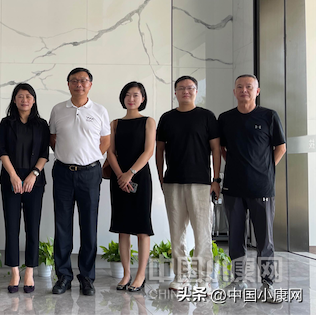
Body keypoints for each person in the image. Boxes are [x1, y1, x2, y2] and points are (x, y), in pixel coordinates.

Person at [218, 75, 286, 304]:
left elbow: (281, 147)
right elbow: (222, 148)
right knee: (235, 237)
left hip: (261, 187)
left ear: (257, 91)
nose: (244, 90)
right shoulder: (225, 118)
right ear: (234, 91)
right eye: (240, 87)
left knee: (265, 240)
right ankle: (238, 280)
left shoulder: (269, 116)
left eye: (249, 87)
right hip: (233, 187)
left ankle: (268, 284)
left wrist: (266, 169)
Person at [49, 67, 110, 296]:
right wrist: (69, 156)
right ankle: (63, 276)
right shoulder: (58, 109)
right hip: (63, 173)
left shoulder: (100, 110)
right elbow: (53, 139)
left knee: (89, 225)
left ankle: (87, 277)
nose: (79, 84)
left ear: (90, 85)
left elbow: (105, 141)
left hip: (90, 174)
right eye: (74, 80)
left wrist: (88, 158)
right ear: (68, 84)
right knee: (62, 225)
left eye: (83, 80)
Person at [156, 76, 220, 291]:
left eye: (190, 88)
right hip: (173, 182)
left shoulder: (207, 116)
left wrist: (216, 179)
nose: (186, 91)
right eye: (181, 88)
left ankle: (203, 278)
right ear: (175, 92)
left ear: (196, 91)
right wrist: (161, 176)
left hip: (201, 183)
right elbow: (159, 149)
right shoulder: (167, 118)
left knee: (202, 232)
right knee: (176, 232)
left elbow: (216, 149)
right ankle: (181, 275)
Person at [0, 83, 50, 294]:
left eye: (28, 96)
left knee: (32, 227)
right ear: (14, 100)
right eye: (20, 96)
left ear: (34, 100)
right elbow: (2, 151)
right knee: (11, 227)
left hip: (34, 181)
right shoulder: (6, 123)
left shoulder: (42, 124)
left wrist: (33, 175)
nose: (24, 100)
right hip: (10, 179)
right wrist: (13, 175)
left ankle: (29, 271)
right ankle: (14, 272)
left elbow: (44, 153)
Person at [107, 81, 155, 292]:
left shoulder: (148, 121)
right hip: (119, 179)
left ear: (142, 99)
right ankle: (126, 274)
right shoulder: (115, 123)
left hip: (140, 177)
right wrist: (120, 175)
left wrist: (130, 173)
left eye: (136, 95)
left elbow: (148, 151)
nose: (131, 98)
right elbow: (110, 152)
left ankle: (140, 275)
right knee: (123, 227)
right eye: (127, 94)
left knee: (142, 228)